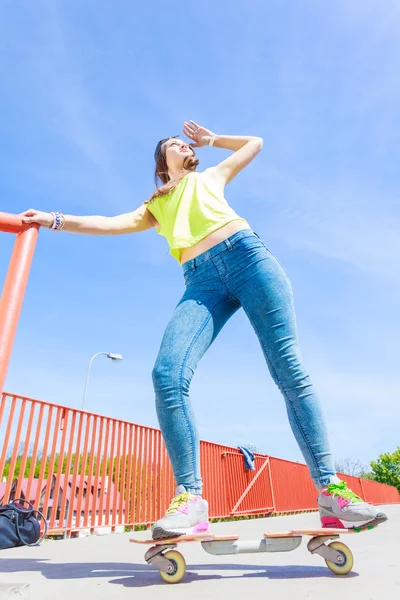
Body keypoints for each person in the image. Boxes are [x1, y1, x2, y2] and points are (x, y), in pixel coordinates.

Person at [22, 120, 387, 540]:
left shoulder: (211, 175)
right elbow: (108, 223)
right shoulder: (156, 205)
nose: (183, 143)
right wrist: (53, 218)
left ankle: (330, 491)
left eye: (184, 141)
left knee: (289, 369)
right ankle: (191, 499)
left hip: (250, 260)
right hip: (201, 282)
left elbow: (256, 142)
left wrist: (211, 139)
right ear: (163, 163)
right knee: (167, 375)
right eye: (174, 143)